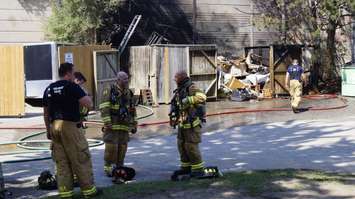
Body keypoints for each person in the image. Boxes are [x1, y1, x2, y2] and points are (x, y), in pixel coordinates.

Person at [43, 63, 100, 198]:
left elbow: (45, 113)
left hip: (54, 127)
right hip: (70, 127)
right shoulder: (72, 87)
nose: (74, 76)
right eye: (73, 73)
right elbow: (89, 104)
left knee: (62, 162)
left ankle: (65, 193)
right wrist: (85, 94)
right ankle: (89, 191)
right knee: (81, 157)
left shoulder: (49, 89)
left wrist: (48, 130)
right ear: (68, 73)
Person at [99, 71, 137, 181]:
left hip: (124, 125)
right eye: (124, 79)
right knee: (112, 147)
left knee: (122, 147)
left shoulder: (128, 92)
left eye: (127, 79)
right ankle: (108, 167)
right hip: (113, 124)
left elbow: (132, 109)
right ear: (118, 80)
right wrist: (107, 122)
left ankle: (119, 167)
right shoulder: (110, 90)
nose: (126, 81)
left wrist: (134, 124)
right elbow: (104, 106)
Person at [169, 71, 207, 178]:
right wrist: (173, 118)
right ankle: (186, 167)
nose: (175, 80)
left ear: (182, 78)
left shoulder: (192, 87)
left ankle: (198, 169)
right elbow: (177, 106)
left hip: (192, 125)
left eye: (176, 78)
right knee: (181, 146)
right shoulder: (180, 89)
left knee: (191, 146)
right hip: (182, 124)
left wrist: (189, 99)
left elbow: (202, 97)